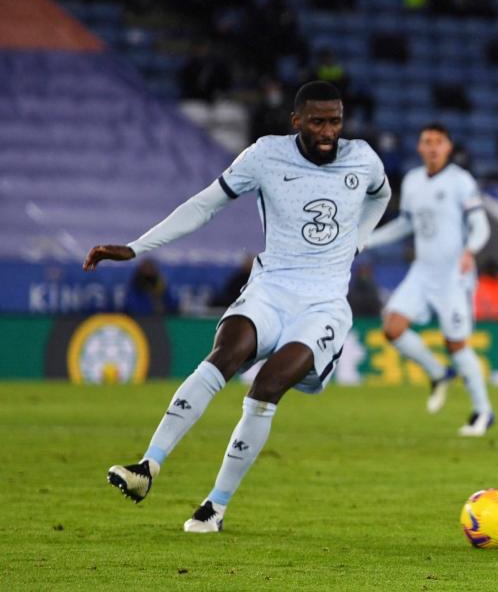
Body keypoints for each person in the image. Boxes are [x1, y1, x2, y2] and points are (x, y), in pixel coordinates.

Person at [83, 81, 391, 533]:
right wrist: (136, 247)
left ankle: (215, 506)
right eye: (318, 121)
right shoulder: (265, 156)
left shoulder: (362, 158)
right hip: (269, 288)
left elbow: (380, 195)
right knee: (224, 356)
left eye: (336, 120)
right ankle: (147, 467)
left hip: (323, 305)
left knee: (265, 387)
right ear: (297, 121)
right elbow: (204, 205)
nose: (329, 131)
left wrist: (360, 237)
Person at [364, 123, 494, 436]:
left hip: (454, 274)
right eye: (427, 141)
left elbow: (481, 226)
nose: (433, 147)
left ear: (448, 147)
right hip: (422, 272)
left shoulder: (460, 181)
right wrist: (366, 240)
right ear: (420, 148)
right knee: (392, 328)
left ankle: (482, 412)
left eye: (439, 141)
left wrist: (469, 250)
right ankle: (438, 373)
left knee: (456, 344)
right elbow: (404, 225)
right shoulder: (411, 181)